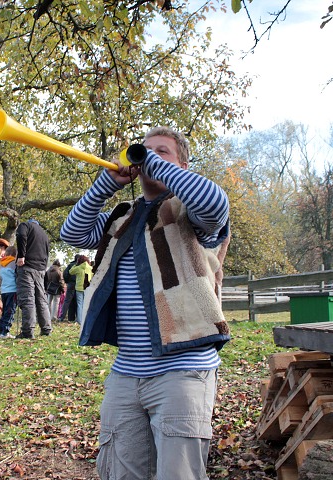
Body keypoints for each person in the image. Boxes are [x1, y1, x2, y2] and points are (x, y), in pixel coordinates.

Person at [60, 127, 231, 479]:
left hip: (183, 369)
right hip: (126, 373)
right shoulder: (123, 216)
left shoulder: (191, 212)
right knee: (121, 472)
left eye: (162, 151)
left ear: (182, 164)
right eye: (145, 150)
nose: (149, 155)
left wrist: (152, 163)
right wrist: (107, 184)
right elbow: (72, 233)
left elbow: (216, 204)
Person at [15, 218, 52, 339]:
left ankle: (27, 331)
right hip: (40, 269)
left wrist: (21, 255)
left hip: (27, 268)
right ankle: (46, 328)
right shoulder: (44, 234)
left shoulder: (25, 225)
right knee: (41, 300)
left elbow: (20, 234)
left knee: (28, 299)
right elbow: (47, 253)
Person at [0, 245, 18, 338]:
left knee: (5, 311)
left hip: (4, 290)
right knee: (10, 311)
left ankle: (0, 330)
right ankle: (4, 331)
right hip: (13, 290)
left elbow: (0, 278)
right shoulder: (14, 263)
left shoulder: (2, 263)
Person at [68, 254, 92, 326]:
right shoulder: (90, 268)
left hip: (79, 288)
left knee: (79, 304)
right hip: (87, 287)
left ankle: (79, 320)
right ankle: (85, 319)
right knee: (86, 304)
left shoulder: (78, 268)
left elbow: (70, 271)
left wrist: (76, 264)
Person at [57, 255, 78, 322]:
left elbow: (65, 274)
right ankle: (76, 318)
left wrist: (67, 281)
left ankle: (63, 317)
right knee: (77, 302)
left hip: (71, 284)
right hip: (79, 285)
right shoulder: (81, 266)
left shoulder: (70, 265)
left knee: (67, 301)